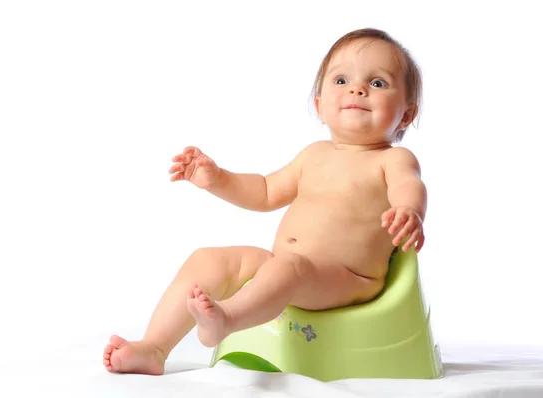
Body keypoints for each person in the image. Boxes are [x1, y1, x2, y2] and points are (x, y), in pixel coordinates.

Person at [103, 27, 427, 375]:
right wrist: (217, 179)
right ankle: (154, 348)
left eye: (377, 83)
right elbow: (266, 191)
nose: (357, 89)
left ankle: (226, 320)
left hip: (348, 280)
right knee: (210, 260)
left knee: (288, 267)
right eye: (341, 79)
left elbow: (408, 185)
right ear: (320, 106)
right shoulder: (313, 155)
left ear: (406, 115)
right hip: (287, 268)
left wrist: (409, 210)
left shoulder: (392, 159)